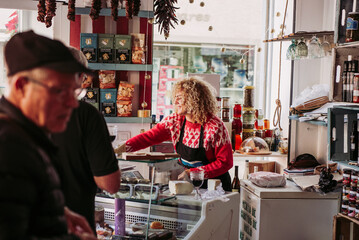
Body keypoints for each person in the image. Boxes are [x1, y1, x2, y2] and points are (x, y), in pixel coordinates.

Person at [0, 30, 96, 239]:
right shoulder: (8, 147)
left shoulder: (26, 136)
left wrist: (57, 212)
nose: (72, 103)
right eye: (60, 91)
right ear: (22, 86)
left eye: (74, 91)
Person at [116, 77, 233, 191]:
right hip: (189, 184)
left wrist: (193, 173)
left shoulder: (215, 126)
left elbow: (225, 162)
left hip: (216, 187)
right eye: (175, 97)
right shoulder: (175, 121)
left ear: (195, 99)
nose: (175, 101)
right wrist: (124, 147)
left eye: (179, 97)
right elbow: (149, 137)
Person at [51, 47, 121, 232]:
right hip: (76, 229)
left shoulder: (19, 112)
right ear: (80, 76)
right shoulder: (87, 115)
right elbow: (110, 184)